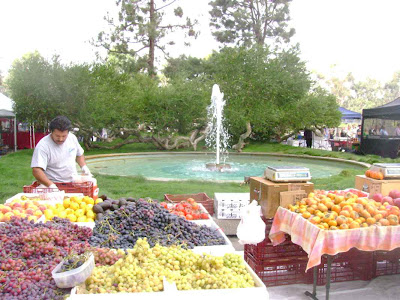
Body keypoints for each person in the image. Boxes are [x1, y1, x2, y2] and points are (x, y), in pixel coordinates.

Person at [31, 116, 92, 188]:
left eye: (64, 136)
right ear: (51, 131)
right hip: (51, 183)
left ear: (68, 132)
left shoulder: (72, 138)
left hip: (73, 182)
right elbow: (36, 170)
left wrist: (83, 167)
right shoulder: (43, 146)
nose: (60, 139)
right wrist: (51, 185)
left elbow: (79, 154)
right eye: (57, 136)